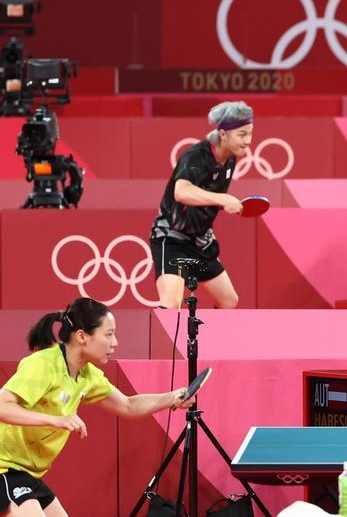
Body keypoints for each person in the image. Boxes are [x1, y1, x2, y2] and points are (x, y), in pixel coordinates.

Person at [0, 298, 193, 516]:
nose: (115, 343)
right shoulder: (43, 364)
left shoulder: (87, 375)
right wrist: (56, 420)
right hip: (4, 467)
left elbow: (128, 405)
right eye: (108, 334)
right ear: (82, 336)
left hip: (26, 473)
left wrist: (173, 397)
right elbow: (2, 407)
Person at [150, 101, 254, 310]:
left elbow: (205, 195)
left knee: (229, 301)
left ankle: (207, 342)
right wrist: (222, 199)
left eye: (250, 134)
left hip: (200, 242)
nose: (248, 141)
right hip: (172, 238)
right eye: (242, 134)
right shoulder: (197, 155)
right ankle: (161, 342)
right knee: (171, 306)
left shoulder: (230, 158)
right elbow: (181, 192)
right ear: (223, 134)